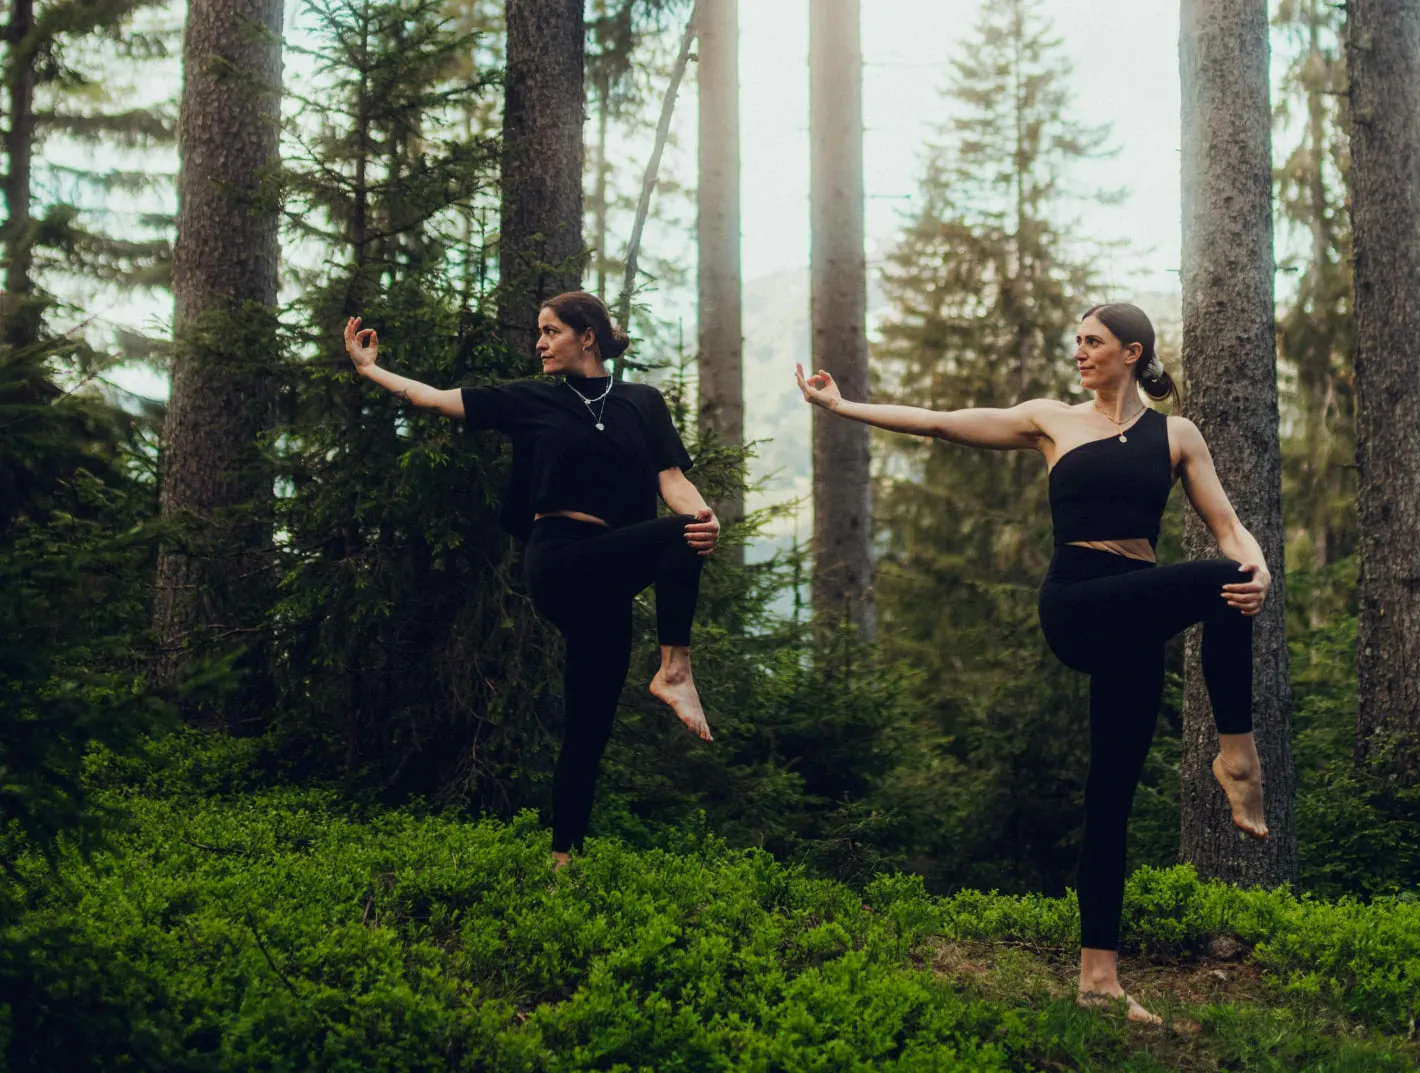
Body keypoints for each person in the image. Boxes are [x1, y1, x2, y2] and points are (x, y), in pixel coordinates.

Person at [796, 302, 1270, 1025]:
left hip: (1133, 622)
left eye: (1093, 342)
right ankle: (1236, 757)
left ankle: (1097, 979)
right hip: (1076, 603)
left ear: (1132, 353)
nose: (1079, 352)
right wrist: (842, 405)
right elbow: (938, 420)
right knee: (1215, 580)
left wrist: (1260, 567)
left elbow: (1228, 524)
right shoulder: (1050, 419)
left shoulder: (1176, 435)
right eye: (1076, 341)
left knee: (1107, 796)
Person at [345, 291, 720, 869]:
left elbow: (671, 480)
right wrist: (371, 370)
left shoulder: (642, 404)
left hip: (609, 581)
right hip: (561, 560)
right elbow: (435, 400)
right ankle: (674, 672)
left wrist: (704, 515)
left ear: (586, 337)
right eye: (538, 333)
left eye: (550, 332)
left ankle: (561, 864)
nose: (539, 344)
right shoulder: (531, 401)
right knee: (677, 534)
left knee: (588, 728)